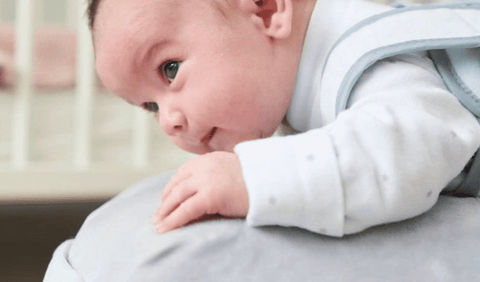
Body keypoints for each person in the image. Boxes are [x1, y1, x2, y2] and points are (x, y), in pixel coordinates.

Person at [87, 0, 480, 237]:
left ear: (266, 9)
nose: (167, 122)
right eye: (149, 107)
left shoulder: (367, 58)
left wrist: (255, 178)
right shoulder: (298, 87)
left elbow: (404, 154)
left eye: (170, 69)